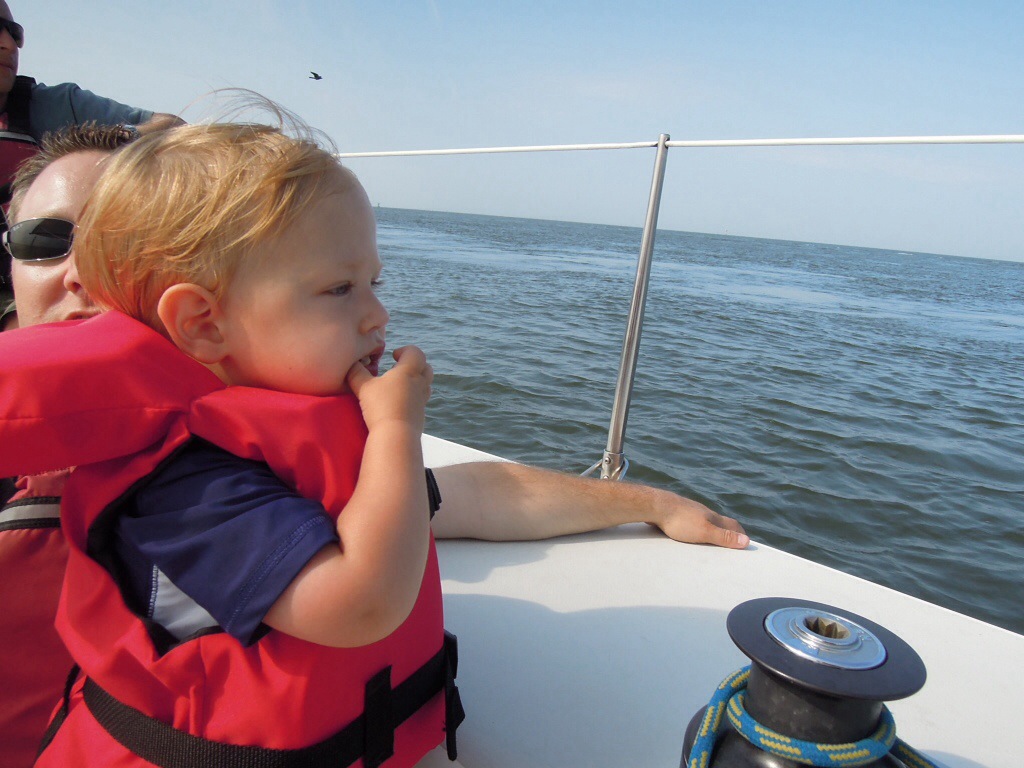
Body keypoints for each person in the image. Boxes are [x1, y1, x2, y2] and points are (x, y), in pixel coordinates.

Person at [0, 121, 747, 766]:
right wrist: (395, 431)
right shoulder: (188, 487)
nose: (378, 314)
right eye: (339, 289)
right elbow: (361, 605)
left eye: (373, 283)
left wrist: (650, 503)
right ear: (202, 322)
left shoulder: (277, 439)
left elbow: (475, 497)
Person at [0, 0, 182, 313]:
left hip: (52, 290)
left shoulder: (57, 106)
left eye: (14, 33)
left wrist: (112, 141)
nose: (8, 44)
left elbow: (172, 127)